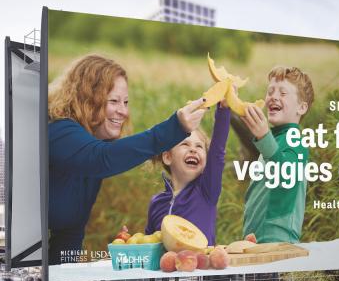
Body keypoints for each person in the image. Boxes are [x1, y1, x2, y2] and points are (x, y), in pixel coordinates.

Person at [48, 54, 206, 264]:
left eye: (125, 102)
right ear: (86, 99)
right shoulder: (59, 131)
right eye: (113, 101)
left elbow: (69, 233)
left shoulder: (92, 149)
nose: (123, 111)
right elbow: (102, 158)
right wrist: (175, 127)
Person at [241, 66, 315, 243]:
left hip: (279, 240)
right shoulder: (274, 139)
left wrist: (264, 137)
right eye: (270, 91)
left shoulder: (295, 141)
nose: (273, 96)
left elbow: (285, 174)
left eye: (283, 93)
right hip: (256, 238)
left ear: (301, 108)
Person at [145, 100, 230, 246]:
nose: (193, 149)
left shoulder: (206, 191)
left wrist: (224, 110)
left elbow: (217, 152)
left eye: (199, 146)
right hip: (167, 267)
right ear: (167, 156)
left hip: (201, 268)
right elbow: (148, 244)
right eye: (185, 144)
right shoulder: (156, 203)